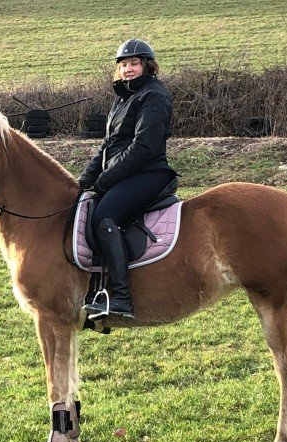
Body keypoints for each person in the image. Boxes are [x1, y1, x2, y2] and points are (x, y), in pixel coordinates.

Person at [77, 38, 178, 318]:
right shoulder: (122, 99)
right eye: (123, 64)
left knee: (104, 217)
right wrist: (83, 180)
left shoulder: (154, 95)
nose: (128, 69)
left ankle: (121, 297)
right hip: (124, 173)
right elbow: (108, 145)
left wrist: (106, 179)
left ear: (146, 66)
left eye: (134, 63)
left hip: (149, 172)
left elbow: (143, 147)